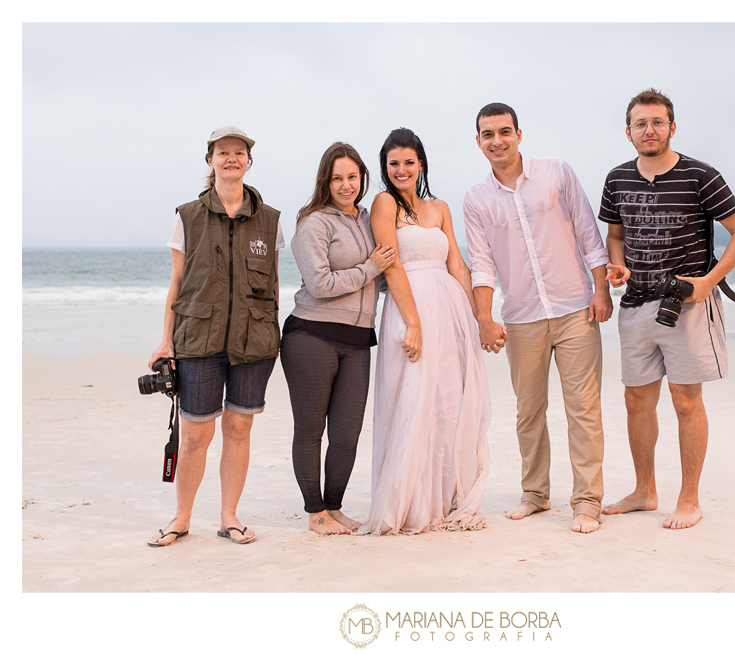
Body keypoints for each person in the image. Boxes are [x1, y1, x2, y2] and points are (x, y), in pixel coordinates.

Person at [598, 88, 735, 529]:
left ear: (671, 126)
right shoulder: (616, 179)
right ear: (627, 131)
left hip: (685, 307)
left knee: (686, 401)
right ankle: (645, 491)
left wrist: (707, 281)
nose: (649, 130)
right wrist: (618, 265)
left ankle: (689, 499)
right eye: (640, 124)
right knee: (636, 402)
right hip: (635, 305)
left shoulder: (700, 176)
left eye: (657, 122)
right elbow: (615, 234)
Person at [463, 103, 612, 534]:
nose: (497, 141)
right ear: (478, 142)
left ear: (519, 134)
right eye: (488, 134)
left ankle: (587, 502)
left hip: (574, 309)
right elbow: (483, 263)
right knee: (529, 411)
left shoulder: (556, 172)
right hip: (523, 316)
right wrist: (484, 318)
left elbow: (588, 231)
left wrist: (601, 290)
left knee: (583, 409)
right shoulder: (475, 198)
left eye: (504, 132)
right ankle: (535, 494)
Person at [147, 126, 282, 547]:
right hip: (198, 341)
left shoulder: (270, 220)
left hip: (254, 343)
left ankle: (229, 517)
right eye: (223, 152)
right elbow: (177, 282)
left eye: (239, 153)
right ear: (210, 160)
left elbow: (275, 286)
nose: (231, 159)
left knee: (239, 429)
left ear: (248, 161)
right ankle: (181, 518)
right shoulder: (186, 215)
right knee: (195, 436)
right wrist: (166, 341)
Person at [357, 128, 490, 535]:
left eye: (409, 162)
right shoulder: (383, 203)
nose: (401, 170)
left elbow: (458, 265)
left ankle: (447, 497)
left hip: (449, 311)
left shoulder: (440, 207)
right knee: (410, 399)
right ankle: (411, 502)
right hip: (409, 308)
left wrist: (480, 319)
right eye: (393, 163)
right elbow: (391, 264)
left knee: (448, 402)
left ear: (421, 164)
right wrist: (413, 322)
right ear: (385, 167)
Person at [280, 143, 395, 535]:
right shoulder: (314, 223)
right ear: (325, 182)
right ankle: (315, 513)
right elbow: (321, 283)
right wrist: (371, 267)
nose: (346, 185)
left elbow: (377, 281)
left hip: (359, 338)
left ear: (362, 177)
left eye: (352, 177)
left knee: (346, 433)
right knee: (311, 430)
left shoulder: (367, 220)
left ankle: (335, 506)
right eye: (337, 178)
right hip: (311, 335)